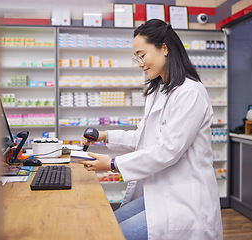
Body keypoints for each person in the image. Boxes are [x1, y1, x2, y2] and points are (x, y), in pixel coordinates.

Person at [79, 19, 223, 240]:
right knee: (109, 223)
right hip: (161, 193)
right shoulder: (160, 90)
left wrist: (112, 164)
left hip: (184, 202)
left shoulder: (190, 92)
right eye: (136, 57)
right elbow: (143, 136)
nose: (139, 62)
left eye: (142, 54)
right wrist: (104, 136)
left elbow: (168, 150)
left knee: (111, 234)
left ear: (164, 48)